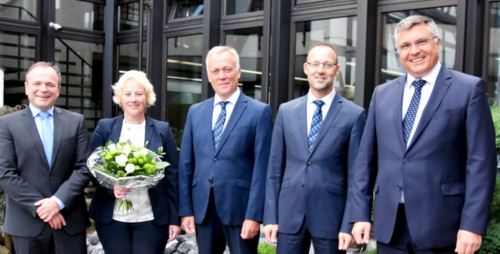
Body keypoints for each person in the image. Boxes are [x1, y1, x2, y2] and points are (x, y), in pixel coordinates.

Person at [350, 15, 497, 254]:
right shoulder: (382, 94)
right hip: (390, 227)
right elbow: (366, 161)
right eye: (405, 46)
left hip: (444, 228)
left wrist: (472, 225)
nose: (414, 51)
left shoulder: (468, 90)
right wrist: (360, 215)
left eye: (422, 42)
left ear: (436, 42)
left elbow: (481, 163)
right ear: (398, 51)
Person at [262, 43, 365, 254]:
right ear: (306, 68)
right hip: (289, 215)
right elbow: (274, 170)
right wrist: (270, 217)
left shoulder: (354, 115)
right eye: (316, 64)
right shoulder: (286, 111)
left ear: (337, 70)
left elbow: (356, 177)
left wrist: (349, 224)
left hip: (331, 219)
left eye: (327, 65)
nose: (321, 70)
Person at [178, 46, 273, 254]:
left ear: (238, 72)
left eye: (227, 69)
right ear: (209, 76)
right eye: (216, 71)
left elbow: (262, 168)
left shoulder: (259, 112)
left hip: (241, 209)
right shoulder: (195, 112)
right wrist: (186, 210)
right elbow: (186, 163)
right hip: (203, 207)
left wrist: (254, 215)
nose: (222, 76)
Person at [0, 61, 91, 253]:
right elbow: (5, 173)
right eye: (37, 83)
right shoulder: (7, 124)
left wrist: (58, 202)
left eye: (50, 84)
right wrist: (44, 209)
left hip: (69, 222)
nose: (43, 89)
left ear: (58, 89)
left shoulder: (75, 122)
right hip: (26, 224)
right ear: (26, 87)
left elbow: (83, 167)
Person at [89, 70, 180, 254]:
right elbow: (92, 168)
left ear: (147, 98)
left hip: (151, 219)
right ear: (120, 98)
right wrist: (111, 186)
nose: (133, 99)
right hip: (113, 219)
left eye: (139, 94)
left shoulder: (162, 130)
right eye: (128, 94)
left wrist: (174, 219)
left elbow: (173, 177)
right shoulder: (105, 128)